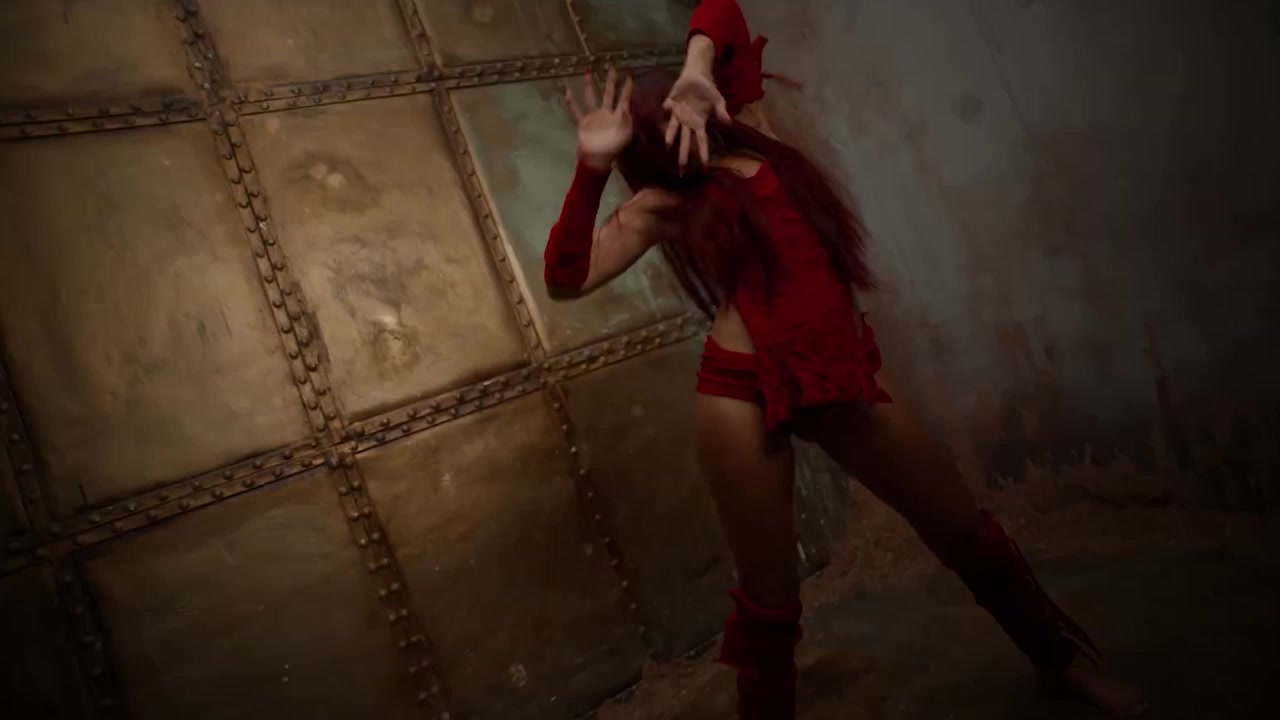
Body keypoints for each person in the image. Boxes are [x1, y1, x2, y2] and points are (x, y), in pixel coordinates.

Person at [543, 2, 1150, 718]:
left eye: (683, 107)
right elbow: (566, 277)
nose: (680, 124)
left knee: (962, 529)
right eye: (662, 123)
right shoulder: (662, 205)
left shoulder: (757, 130)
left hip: (837, 371)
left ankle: (1063, 665)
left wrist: (698, 67)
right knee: (771, 603)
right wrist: (592, 168)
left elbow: (723, 11)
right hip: (740, 397)